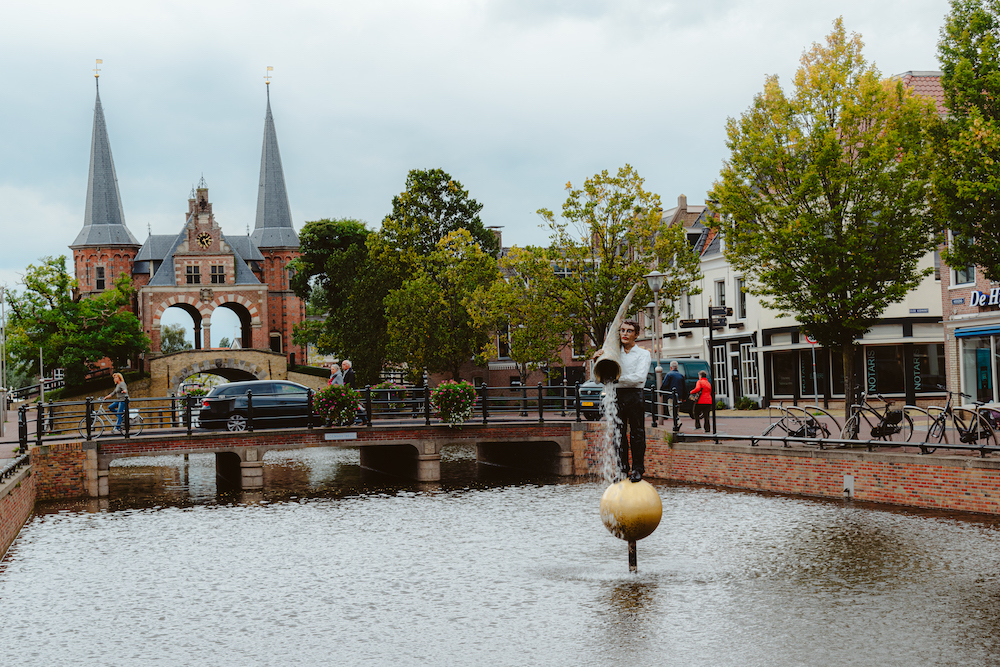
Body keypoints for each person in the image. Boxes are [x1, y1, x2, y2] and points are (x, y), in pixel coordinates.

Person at [593, 320, 651, 483]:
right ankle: (622, 469)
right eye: (622, 330)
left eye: (629, 331)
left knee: (637, 433)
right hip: (617, 395)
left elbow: (639, 378)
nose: (625, 334)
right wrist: (596, 361)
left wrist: (614, 379)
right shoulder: (612, 353)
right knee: (618, 433)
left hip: (634, 395)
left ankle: (638, 469)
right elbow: (597, 380)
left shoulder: (643, 354)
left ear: (636, 334)